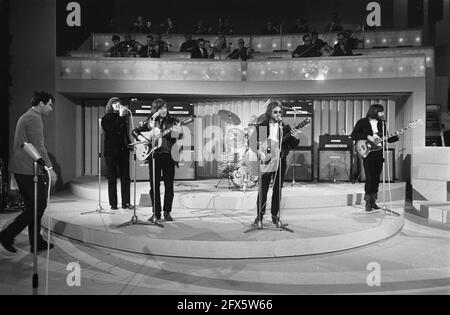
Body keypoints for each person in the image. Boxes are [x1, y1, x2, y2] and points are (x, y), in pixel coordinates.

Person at [0, 92, 58, 254]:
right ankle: (7, 234)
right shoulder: (33, 118)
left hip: (22, 169)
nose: (51, 108)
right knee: (38, 206)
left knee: (34, 206)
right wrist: (50, 169)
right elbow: (39, 147)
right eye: (50, 104)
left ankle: (35, 242)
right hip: (28, 170)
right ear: (41, 103)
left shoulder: (28, 116)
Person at [132, 99, 183, 222]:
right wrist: (143, 138)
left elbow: (179, 136)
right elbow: (134, 132)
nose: (164, 110)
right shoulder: (150, 122)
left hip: (169, 157)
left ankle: (167, 212)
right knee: (154, 186)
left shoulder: (173, 121)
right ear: (155, 110)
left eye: (165, 107)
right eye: (161, 108)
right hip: (154, 156)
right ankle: (156, 212)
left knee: (169, 186)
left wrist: (176, 132)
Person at [251, 101, 301, 226]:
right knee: (263, 189)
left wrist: (296, 138)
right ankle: (259, 217)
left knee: (277, 189)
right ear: (270, 113)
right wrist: (260, 153)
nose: (278, 114)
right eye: (275, 112)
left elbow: (292, 145)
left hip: (280, 161)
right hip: (266, 162)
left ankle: (275, 216)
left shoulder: (284, 127)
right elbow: (254, 143)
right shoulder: (263, 126)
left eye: (280, 112)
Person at [351, 104, 399, 212]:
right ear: (374, 111)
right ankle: (367, 202)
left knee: (377, 178)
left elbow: (386, 138)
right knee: (370, 177)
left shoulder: (382, 123)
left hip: (378, 152)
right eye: (380, 111)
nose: (382, 114)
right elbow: (354, 135)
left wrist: (396, 136)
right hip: (367, 152)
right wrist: (368, 137)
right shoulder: (362, 122)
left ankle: (373, 201)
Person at [101, 97, 132, 211]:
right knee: (112, 178)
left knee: (125, 178)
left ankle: (126, 202)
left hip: (123, 151)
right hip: (111, 152)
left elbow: (123, 135)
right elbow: (111, 131)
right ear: (110, 105)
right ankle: (113, 203)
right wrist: (119, 116)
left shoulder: (123, 119)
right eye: (114, 103)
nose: (117, 104)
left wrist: (129, 144)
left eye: (119, 103)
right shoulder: (105, 119)